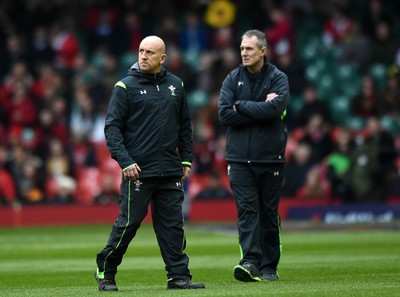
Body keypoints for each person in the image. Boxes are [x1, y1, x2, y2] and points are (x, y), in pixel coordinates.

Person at [94, 36, 205, 291]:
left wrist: (186, 158)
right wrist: (125, 162)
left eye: (150, 53)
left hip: (170, 168)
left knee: (173, 226)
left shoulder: (176, 85)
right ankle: (105, 270)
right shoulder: (124, 86)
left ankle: (178, 276)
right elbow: (112, 129)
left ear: (162, 58)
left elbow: (185, 126)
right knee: (129, 224)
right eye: (141, 51)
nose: (143, 56)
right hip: (138, 171)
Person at [218, 29, 289, 282]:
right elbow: (224, 115)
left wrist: (242, 105)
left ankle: (270, 266)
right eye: (241, 49)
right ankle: (250, 262)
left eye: (249, 49)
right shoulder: (232, 78)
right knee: (248, 212)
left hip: (270, 158)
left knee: (268, 213)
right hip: (238, 160)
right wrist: (261, 107)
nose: (244, 53)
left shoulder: (279, 78)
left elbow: (275, 109)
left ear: (263, 50)